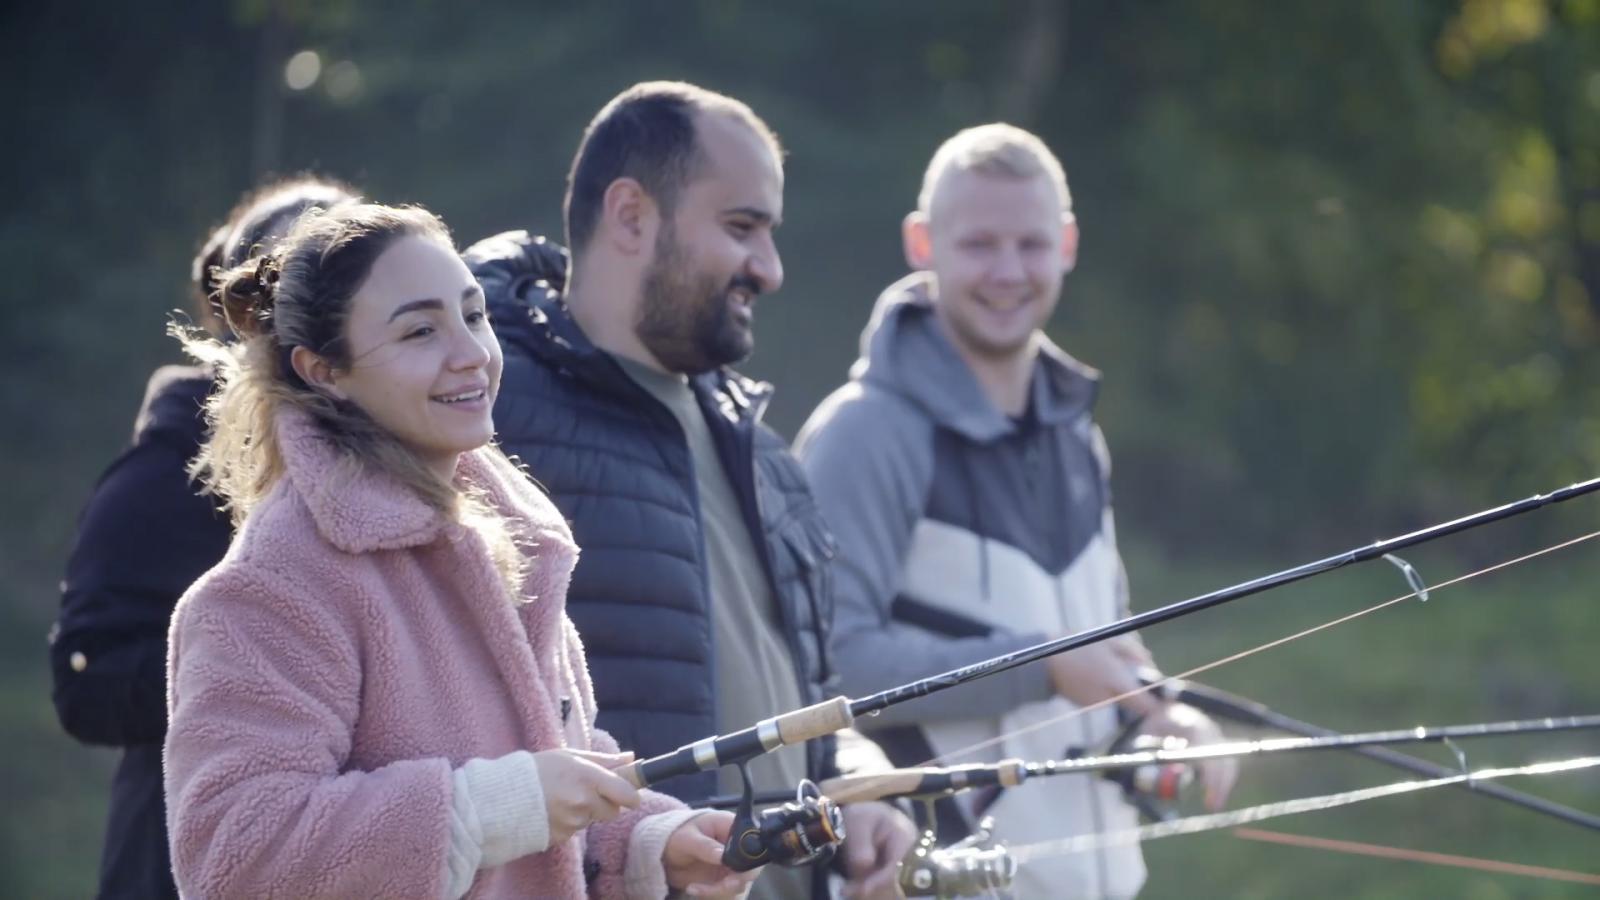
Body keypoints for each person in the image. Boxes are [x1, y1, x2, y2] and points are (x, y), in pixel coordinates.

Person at [162, 201, 754, 899]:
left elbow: (549, 784)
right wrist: (495, 806)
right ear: (323, 370)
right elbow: (237, 855)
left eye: (473, 315)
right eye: (419, 331)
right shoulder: (273, 586)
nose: (472, 352)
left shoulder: (515, 540)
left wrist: (650, 843)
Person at [466, 81, 914, 900]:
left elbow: (810, 706)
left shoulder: (768, 456)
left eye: (770, 234)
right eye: (742, 228)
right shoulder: (486, 418)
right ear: (632, 214)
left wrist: (859, 779)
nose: (770, 270)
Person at [794, 124, 1238, 899]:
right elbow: (825, 672)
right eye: (978, 245)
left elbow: (1108, 626)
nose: (1007, 272)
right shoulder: (861, 434)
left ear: (1067, 243)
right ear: (922, 243)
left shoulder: (1076, 432)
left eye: (1031, 244)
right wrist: (1044, 667)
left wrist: (1165, 710)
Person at [48, 175, 355, 899]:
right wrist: (248, 659)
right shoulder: (168, 468)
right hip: (176, 863)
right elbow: (85, 683)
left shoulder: (394, 468)